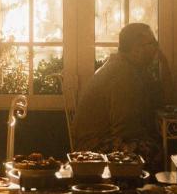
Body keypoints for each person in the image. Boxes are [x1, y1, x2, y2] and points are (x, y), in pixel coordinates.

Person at [71, 23, 171, 171]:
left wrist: (164, 64)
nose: (156, 48)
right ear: (136, 49)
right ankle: (141, 192)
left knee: (158, 144)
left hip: (98, 140)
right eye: (152, 43)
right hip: (92, 146)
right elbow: (124, 129)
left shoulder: (130, 68)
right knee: (156, 151)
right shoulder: (123, 74)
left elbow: (160, 100)